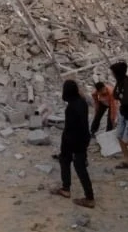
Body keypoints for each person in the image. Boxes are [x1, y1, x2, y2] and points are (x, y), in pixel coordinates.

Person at [51, 80, 95, 209]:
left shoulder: (71, 108)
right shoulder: (82, 102)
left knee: (79, 167)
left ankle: (89, 198)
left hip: (74, 141)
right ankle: (66, 188)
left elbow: (70, 129)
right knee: (67, 161)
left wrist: (67, 144)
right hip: (83, 139)